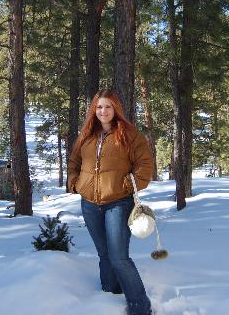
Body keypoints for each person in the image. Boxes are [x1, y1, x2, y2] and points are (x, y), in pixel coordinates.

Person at [68, 89, 154, 315]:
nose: (103, 111)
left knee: (119, 257)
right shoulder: (87, 134)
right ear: (93, 110)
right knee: (104, 254)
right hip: (89, 204)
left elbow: (145, 164)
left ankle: (140, 307)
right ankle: (110, 295)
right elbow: (74, 161)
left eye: (108, 106)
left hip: (118, 203)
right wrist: (75, 183)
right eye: (99, 107)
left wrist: (129, 184)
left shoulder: (129, 134)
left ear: (115, 109)